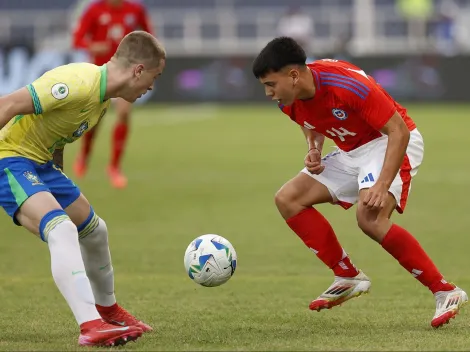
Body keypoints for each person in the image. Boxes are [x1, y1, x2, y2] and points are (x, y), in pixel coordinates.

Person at [252, 37, 467, 328]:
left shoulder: (345, 84)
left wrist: (382, 184)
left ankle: (445, 290)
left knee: (369, 216)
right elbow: (310, 121)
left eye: (270, 85)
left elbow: (398, 131)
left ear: (293, 75)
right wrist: (313, 148)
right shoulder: (288, 98)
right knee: (288, 198)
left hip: (388, 141)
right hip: (351, 149)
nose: (268, 93)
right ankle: (348, 276)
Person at [0, 31, 165, 346]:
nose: (151, 87)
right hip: (8, 158)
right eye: (154, 77)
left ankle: (109, 312)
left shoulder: (101, 99)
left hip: (39, 164)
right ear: (138, 70)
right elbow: (7, 104)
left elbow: (54, 133)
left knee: (95, 230)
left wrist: (54, 177)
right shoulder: (77, 82)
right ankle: (91, 326)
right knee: (61, 229)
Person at [72, 0, 154, 188]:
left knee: (124, 113)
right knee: (94, 120)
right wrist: (93, 46)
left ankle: (114, 167)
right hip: (101, 72)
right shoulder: (94, 10)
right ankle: (84, 156)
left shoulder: (135, 9)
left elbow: (149, 35)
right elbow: (77, 39)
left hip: (127, 72)